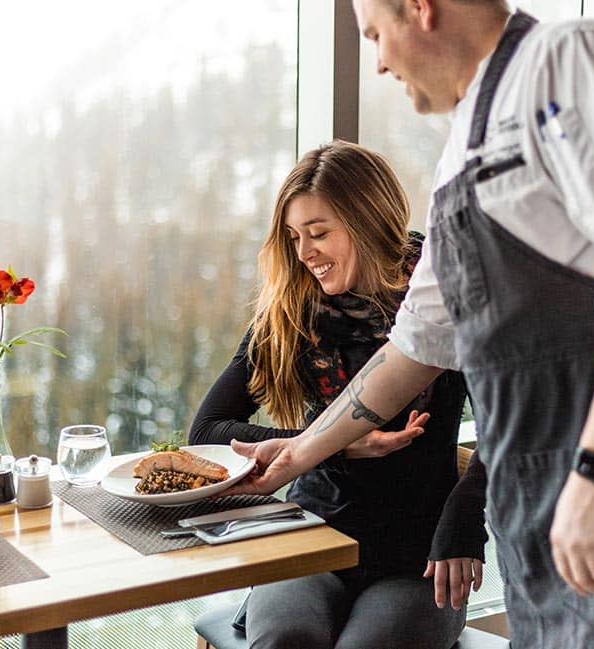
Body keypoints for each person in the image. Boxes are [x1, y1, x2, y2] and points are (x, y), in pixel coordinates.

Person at [224, 2, 594, 648]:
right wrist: (300, 450)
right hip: (533, 520)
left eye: (374, 36)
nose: (379, 62)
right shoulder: (459, 159)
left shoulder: (569, 59)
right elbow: (413, 348)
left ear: (420, 9)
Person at [189, 139, 487, 649]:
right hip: (311, 534)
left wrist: (466, 521)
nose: (304, 254)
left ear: (369, 220)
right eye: (294, 236)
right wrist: (334, 442)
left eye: (319, 233)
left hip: (420, 552)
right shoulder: (292, 311)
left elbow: (508, 425)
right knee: (286, 640)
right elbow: (208, 431)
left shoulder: (441, 298)